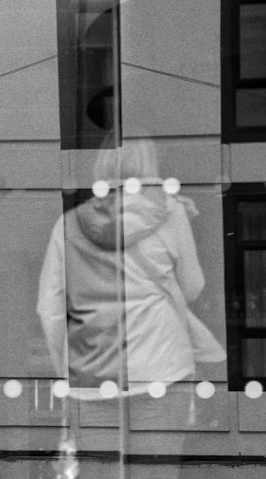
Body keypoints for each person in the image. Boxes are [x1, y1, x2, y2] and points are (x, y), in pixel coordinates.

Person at [36, 137, 224, 394]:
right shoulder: (172, 213)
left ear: (102, 165)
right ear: (151, 165)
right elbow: (193, 288)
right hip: (163, 368)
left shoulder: (68, 224)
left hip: (93, 375)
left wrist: (64, 371)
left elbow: (50, 311)